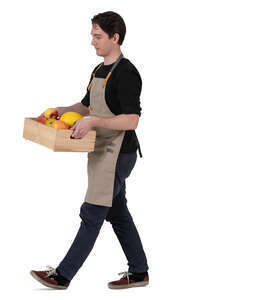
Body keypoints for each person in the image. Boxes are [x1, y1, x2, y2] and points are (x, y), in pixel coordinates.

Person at [30, 11, 149, 290]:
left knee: (92, 211)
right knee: (117, 212)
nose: (92, 42)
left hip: (118, 154)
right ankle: (140, 271)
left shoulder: (127, 73)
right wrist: (62, 110)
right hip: (100, 150)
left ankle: (62, 275)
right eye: (92, 36)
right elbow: (86, 107)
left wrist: (94, 121)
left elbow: (132, 120)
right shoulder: (99, 70)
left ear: (115, 37)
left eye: (98, 36)